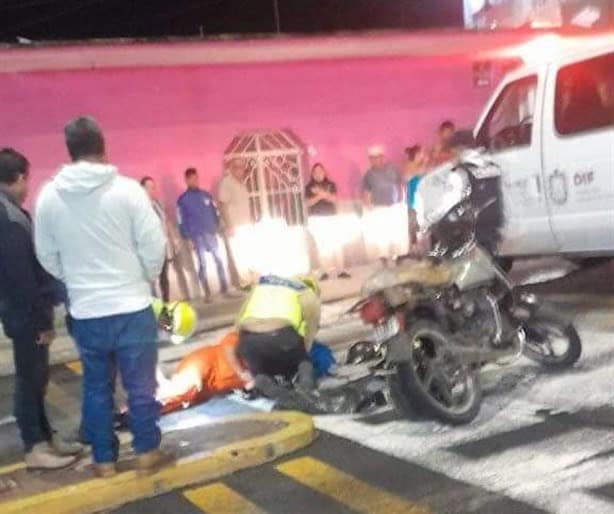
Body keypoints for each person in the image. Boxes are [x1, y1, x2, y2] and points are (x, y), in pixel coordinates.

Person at [34, 116, 167, 478]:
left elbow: (45, 255)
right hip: (132, 308)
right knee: (141, 387)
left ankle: (105, 460)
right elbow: (154, 246)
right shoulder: (127, 191)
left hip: (87, 312)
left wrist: (77, 280)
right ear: (102, 146)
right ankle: (145, 454)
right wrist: (141, 278)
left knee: (96, 388)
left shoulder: (49, 196)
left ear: (70, 151)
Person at [0, 149, 82, 470]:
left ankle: (45, 437)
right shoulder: (8, 218)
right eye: (26, 179)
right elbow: (21, 278)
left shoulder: (11, 213)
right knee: (30, 378)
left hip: (23, 311)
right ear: (19, 178)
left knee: (37, 376)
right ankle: (34, 443)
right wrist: (41, 320)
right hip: (25, 315)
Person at [236, 275, 320, 390]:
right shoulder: (307, 293)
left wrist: (242, 347)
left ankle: (261, 377)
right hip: (279, 335)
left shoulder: (262, 285)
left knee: (262, 365)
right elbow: (311, 329)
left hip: (248, 338)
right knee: (302, 361)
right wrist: (304, 354)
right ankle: (307, 387)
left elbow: (239, 319)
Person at [156, 331, 251, 414]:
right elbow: (229, 345)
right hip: (204, 364)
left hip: (209, 387)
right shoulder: (251, 339)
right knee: (181, 391)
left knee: (176, 402)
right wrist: (241, 373)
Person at [177, 168, 228, 301]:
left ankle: (225, 287)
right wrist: (187, 237)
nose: (195, 181)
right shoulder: (182, 200)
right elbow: (181, 220)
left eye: (196, 178)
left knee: (218, 260)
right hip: (196, 235)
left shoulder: (206, 195)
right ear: (186, 180)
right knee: (202, 263)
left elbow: (215, 211)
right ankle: (206, 292)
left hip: (210, 233)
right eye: (192, 179)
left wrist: (217, 227)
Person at [305, 163, 350, 281]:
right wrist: (322, 195)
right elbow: (308, 203)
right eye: (316, 172)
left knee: (337, 246)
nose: (318, 174)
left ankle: (341, 270)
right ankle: (324, 271)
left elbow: (334, 199)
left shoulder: (331, 184)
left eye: (320, 171)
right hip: (316, 220)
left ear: (324, 172)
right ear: (312, 174)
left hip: (331, 218)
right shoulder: (308, 187)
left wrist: (321, 194)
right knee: (322, 247)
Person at [218, 159, 253, 289]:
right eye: (237, 167)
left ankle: (251, 279)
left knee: (248, 253)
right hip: (235, 225)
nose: (241, 170)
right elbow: (222, 204)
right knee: (240, 256)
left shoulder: (242, 184)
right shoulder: (226, 183)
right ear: (232, 169)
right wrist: (229, 225)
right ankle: (245, 283)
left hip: (246, 223)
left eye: (242, 167)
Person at [141, 177, 175, 303]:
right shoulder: (140, 208)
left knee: (164, 277)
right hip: (149, 248)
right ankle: (156, 306)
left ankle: (166, 304)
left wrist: (172, 239)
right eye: (148, 187)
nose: (151, 190)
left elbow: (166, 221)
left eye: (153, 187)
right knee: (152, 281)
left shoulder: (158, 204)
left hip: (162, 246)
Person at [404, 145, 428, 252]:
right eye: (422, 153)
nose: (424, 155)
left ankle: (423, 248)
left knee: (423, 227)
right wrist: (424, 163)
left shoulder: (424, 166)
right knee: (413, 226)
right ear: (416, 155)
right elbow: (411, 175)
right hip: (413, 200)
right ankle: (414, 248)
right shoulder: (409, 165)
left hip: (423, 200)